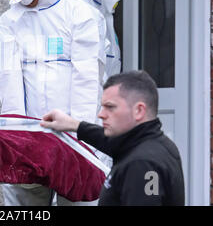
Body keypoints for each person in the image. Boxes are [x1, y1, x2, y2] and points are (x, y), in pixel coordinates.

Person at [0, 0, 106, 206]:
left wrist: (82, 139)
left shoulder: (79, 14)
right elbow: (9, 88)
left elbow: (87, 81)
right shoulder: (9, 22)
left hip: (74, 141)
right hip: (30, 143)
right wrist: (16, 141)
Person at [41, 70, 185, 206]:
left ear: (139, 110)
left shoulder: (142, 163)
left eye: (110, 107)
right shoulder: (155, 143)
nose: (101, 114)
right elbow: (110, 142)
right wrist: (74, 125)